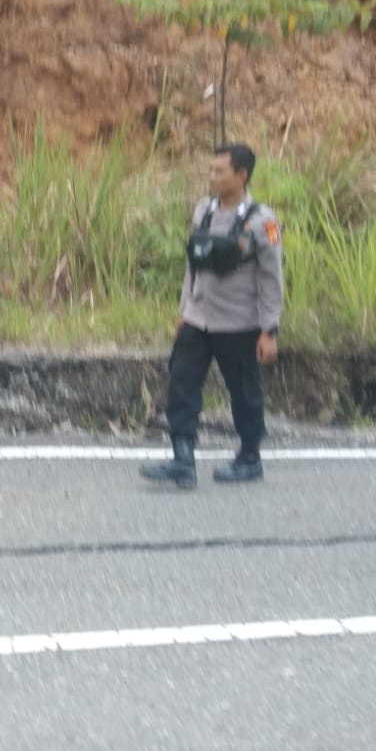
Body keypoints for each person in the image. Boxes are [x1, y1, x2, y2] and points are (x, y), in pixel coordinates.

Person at [142, 143, 284, 490]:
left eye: (220, 171)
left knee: (243, 392)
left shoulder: (262, 222)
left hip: (239, 323)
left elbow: (271, 277)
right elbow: (192, 264)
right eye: (210, 170)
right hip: (198, 319)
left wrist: (269, 329)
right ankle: (183, 458)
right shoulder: (203, 211)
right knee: (182, 383)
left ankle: (250, 457)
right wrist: (184, 309)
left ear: (241, 175)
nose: (212, 177)